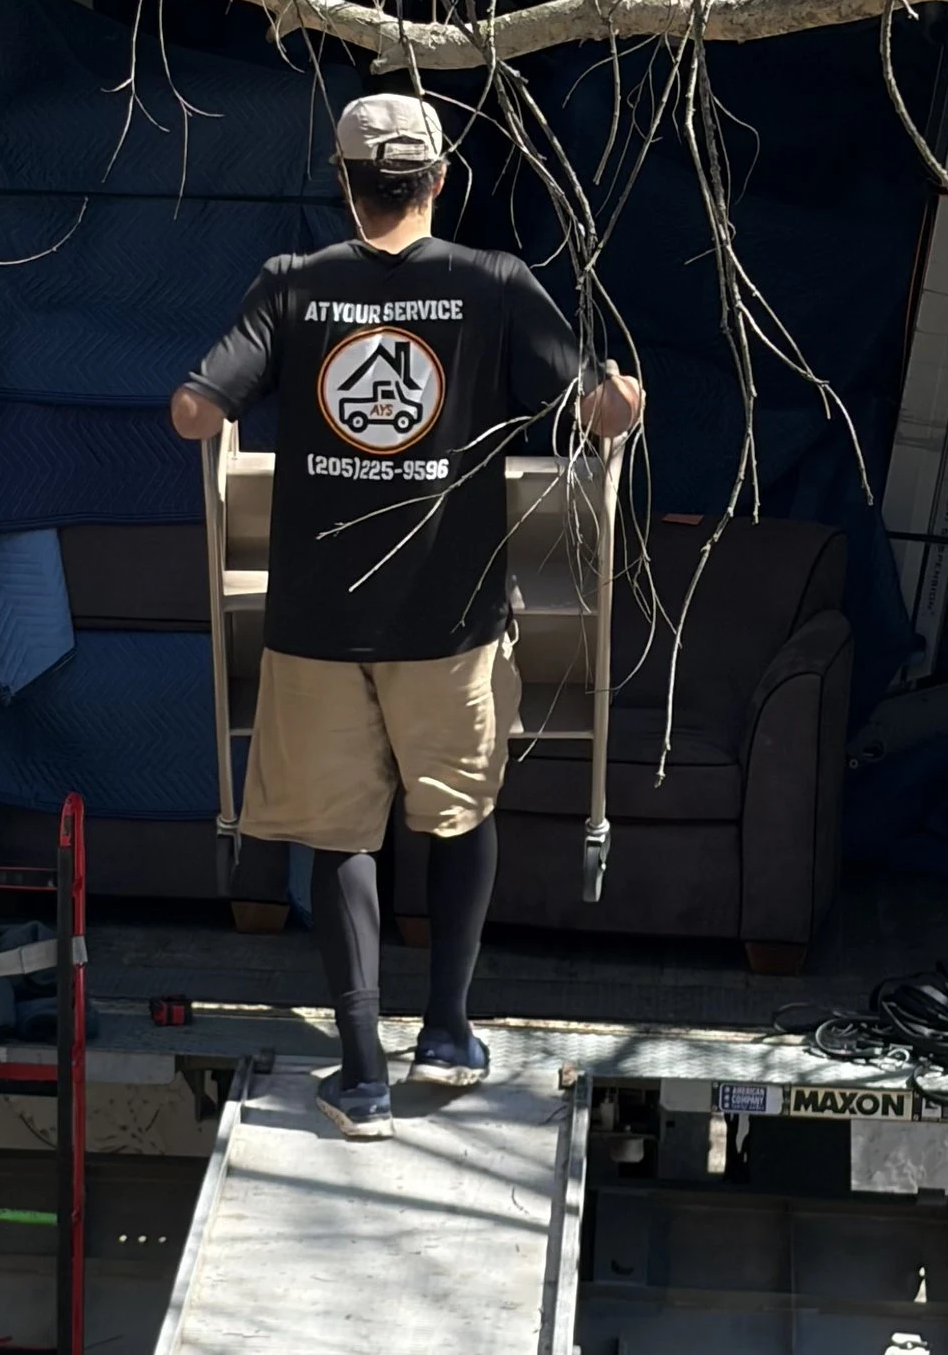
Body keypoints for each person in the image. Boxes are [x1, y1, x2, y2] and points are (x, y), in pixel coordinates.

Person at [170, 93, 642, 1139]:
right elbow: (597, 411)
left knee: (340, 839)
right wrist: (627, 399)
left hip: (315, 620)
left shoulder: (292, 286)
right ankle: (446, 1031)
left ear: (341, 182)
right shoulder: (491, 285)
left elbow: (195, 409)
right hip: (452, 617)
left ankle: (359, 1073)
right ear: (436, 179)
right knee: (460, 814)